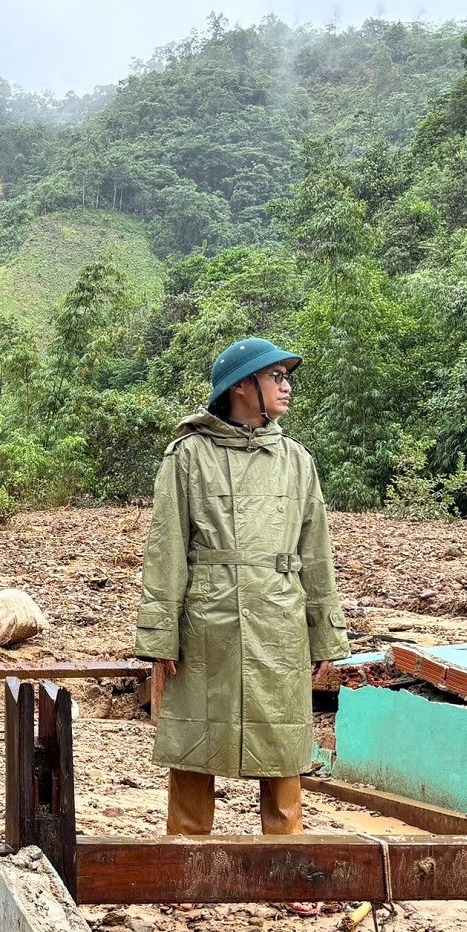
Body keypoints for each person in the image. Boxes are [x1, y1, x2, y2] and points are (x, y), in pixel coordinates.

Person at [132, 337, 350, 843]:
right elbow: (166, 549)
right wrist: (161, 636)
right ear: (242, 386)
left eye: (285, 376)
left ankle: (285, 860)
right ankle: (185, 860)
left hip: (279, 615)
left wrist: (325, 635)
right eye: (276, 376)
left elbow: (315, 553)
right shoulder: (187, 455)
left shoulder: (297, 460)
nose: (286, 386)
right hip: (206, 619)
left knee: (283, 742)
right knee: (194, 740)